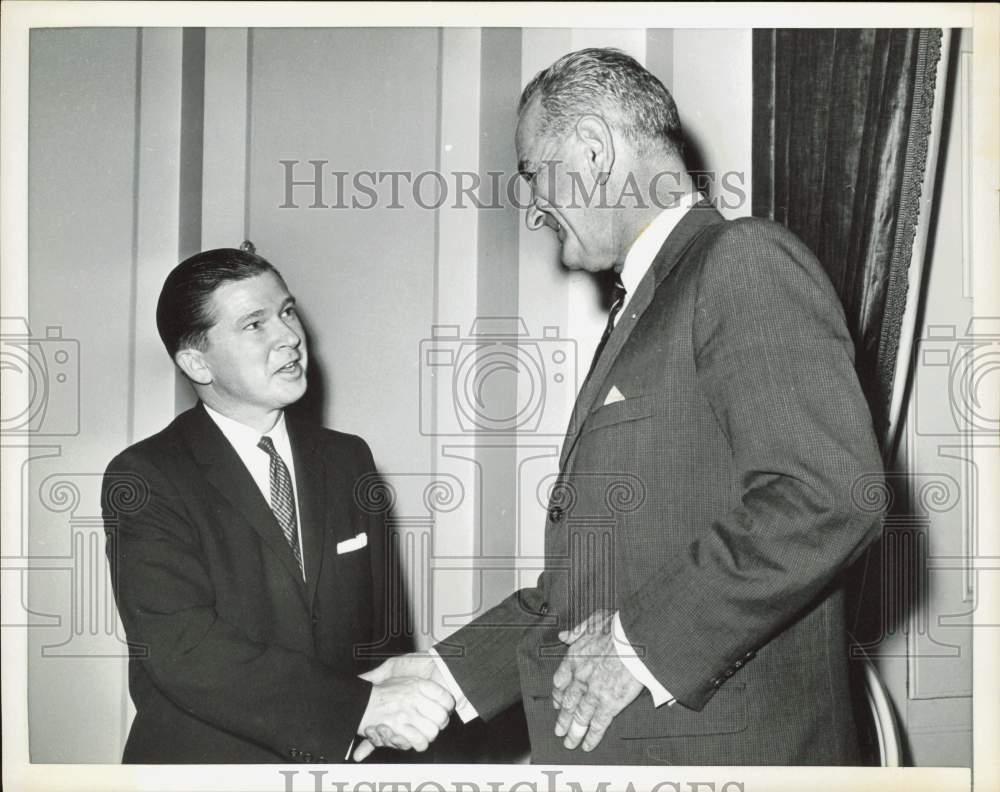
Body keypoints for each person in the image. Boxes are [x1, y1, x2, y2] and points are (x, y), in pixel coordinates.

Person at [357, 48, 885, 765]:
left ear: (595, 152)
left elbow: (826, 496)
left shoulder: (742, 261)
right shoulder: (645, 307)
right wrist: (443, 674)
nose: (534, 206)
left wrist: (637, 648)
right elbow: (585, 593)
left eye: (532, 174)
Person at [102, 248, 454, 763]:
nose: (288, 336)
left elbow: (383, 635)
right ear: (196, 362)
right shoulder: (147, 476)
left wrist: (374, 725)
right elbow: (186, 651)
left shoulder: (349, 458)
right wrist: (356, 708)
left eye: (287, 311)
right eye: (254, 324)